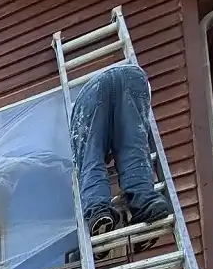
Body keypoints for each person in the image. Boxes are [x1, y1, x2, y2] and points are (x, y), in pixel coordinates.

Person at [69, 63, 173, 236]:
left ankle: (98, 211)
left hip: (90, 93)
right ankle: (146, 202)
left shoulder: (99, 128)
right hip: (133, 77)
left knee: (90, 158)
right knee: (133, 148)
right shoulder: (114, 132)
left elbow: (93, 161)